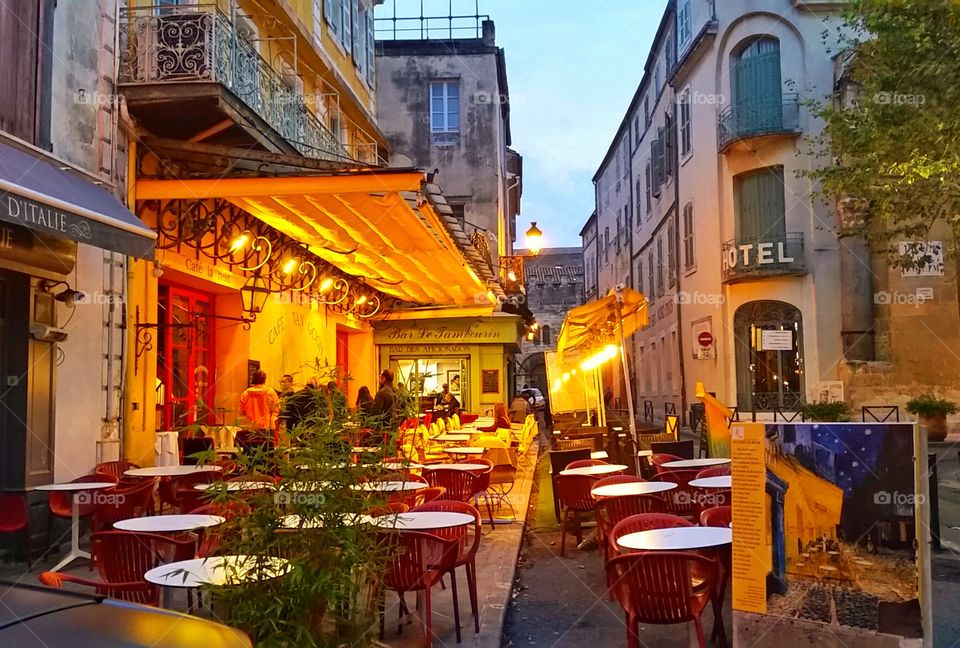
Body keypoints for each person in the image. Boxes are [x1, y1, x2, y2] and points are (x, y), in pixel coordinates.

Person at [239, 369, 280, 446]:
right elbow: (276, 409)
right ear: (264, 379)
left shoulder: (245, 393)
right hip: (268, 426)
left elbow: (242, 412)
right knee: (269, 451)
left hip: (251, 427)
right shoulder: (270, 392)